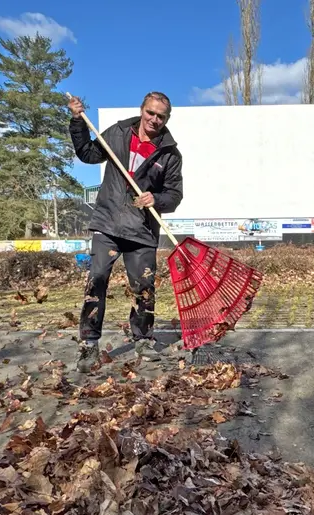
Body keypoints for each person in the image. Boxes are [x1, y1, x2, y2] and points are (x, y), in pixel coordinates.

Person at [68, 91, 184, 372]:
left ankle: (143, 340)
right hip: (107, 222)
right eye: (150, 113)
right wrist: (77, 122)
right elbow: (88, 154)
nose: (154, 119)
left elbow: (174, 194)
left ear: (167, 118)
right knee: (96, 282)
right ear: (142, 110)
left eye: (161, 116)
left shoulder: (170, 154)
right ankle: (89, 345)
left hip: (142, 230)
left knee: (144, 289)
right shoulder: (119, 132)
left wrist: (157, 199)